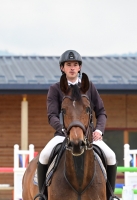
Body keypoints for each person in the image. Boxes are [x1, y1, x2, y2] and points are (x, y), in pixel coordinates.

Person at [37, 50, 117, 200]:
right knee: (44, 155)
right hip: (62, 135)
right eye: (68, 65)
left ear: (79, 68)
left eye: (75, 64)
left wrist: (99, 130)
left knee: (111, 156)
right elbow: (52, 115)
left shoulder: (88, 87)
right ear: (62, 68)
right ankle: (42, 194)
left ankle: (111, 195)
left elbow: (101, 112)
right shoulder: (55, 89)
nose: (72, 68)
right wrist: (62, 129)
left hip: (89, 136)